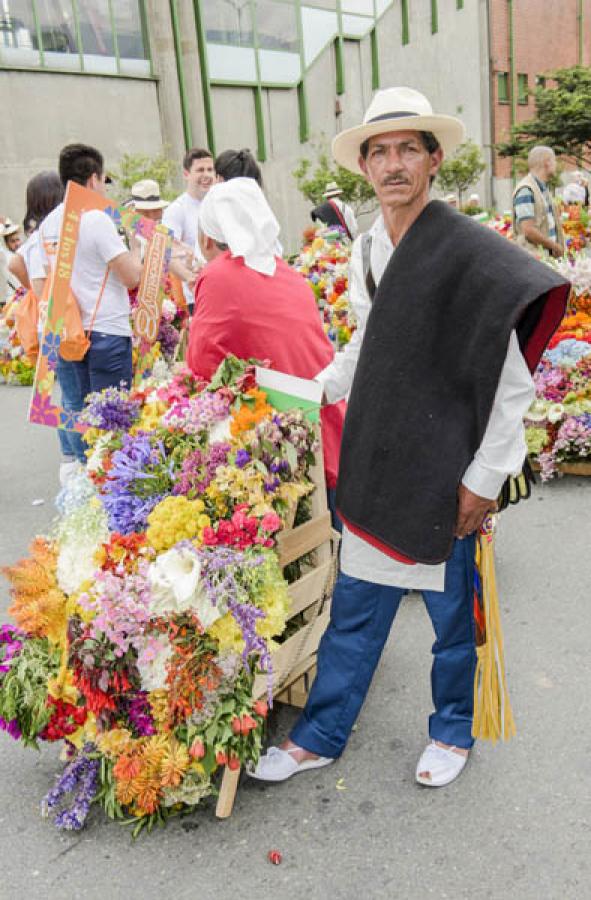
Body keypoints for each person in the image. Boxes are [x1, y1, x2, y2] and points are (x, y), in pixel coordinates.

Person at [250, 87, 569, 788]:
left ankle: (452, 729)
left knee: (452, 617)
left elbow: (511, 384)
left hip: (447, 465)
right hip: (381, 454)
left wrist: (482, 480)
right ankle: (320, 735)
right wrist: (309, 391)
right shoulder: (366, 247)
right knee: (356, 610)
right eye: (379, 151)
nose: (393, 164)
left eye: (407, 149)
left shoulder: (470, 253)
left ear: (431, 159)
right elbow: (369, 343)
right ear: (364, 166)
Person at [186, 177, 345, 510]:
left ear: (209, 235)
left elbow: (200, 367)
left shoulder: (217, 277)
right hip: (328, 428)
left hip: (290, 447)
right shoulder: (288, 272)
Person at [37, 143, 142, 480]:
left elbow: (40, 283)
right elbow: (131, 276)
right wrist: (137, 247)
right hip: (106, 333)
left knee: (81, 414)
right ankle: (115, 489)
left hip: (69, 333)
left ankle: (89, 486)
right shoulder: (95, 218)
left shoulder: (50, 222)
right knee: (112, 421)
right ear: (94, 178)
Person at [163, 148, 215, 311]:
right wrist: (192, 279)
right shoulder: (177, 210)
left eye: (210, 169)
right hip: (197, 297)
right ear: (186, 174)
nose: (206, 175)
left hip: (225, 289)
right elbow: (166, 253)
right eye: (200, 170)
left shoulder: (218, 203)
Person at [512, 146, 565, 258]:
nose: (556, 165)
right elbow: (529, 230)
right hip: (534, 260)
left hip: (545, 258)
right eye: (554, 160)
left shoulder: (542, 189)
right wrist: (554, 246)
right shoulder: (526, 190)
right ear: (547, 163)